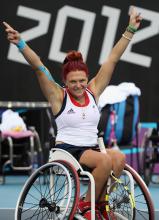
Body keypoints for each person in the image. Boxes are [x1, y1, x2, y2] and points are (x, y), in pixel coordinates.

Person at [3, 6, 142, 220]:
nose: (78, 85)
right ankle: (86, 206)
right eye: (73, 82)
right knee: (105, 162)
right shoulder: (59, 96)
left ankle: (101, 203)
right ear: (65, 82)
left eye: (82, 81)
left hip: (92, 148)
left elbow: (113, 58)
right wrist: (21, 43)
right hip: (68, 151)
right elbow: (39, 66)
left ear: (87, 79)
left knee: (119, 158)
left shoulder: (93, 90)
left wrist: (131, 29)